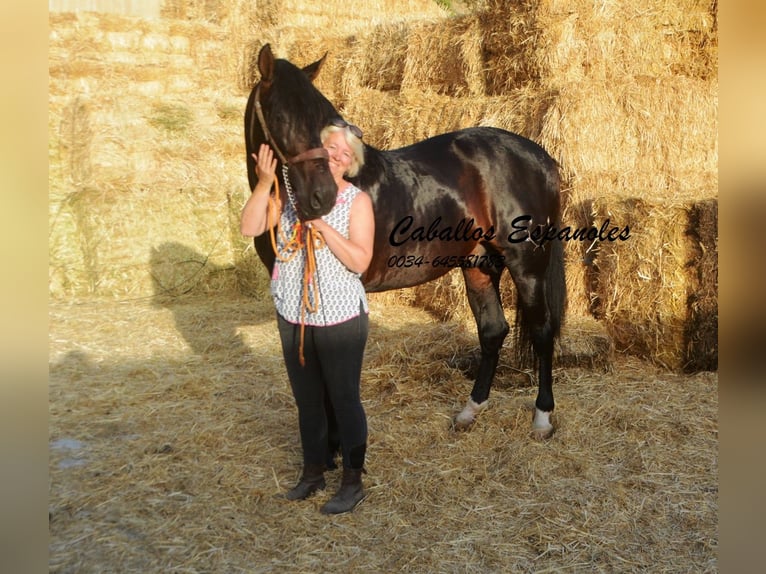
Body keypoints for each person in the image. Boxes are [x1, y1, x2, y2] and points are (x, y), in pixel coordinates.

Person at [240, 118, 374, 515]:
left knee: (344, 399)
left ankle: (353, 480)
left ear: (350, 164)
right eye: (330, 148)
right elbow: (250, 227)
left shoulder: (356, 201)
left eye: (344, 153)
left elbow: (359, 261)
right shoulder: (288, 195)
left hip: (339, 316)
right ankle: (313, 472)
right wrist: (264, 183)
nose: (335, 156)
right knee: (308, 401)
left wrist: (319, 225)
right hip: (293, 313)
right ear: (316, 152)